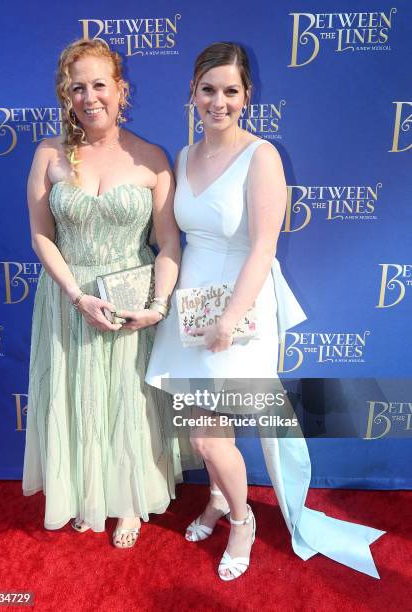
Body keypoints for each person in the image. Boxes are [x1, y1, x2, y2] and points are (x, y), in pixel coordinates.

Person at [146, 42, 384, 580]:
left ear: (247, 96)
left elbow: (262, 248)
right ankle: (215, 498)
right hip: (193, 306)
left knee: (208, 435)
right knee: (201, 428)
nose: (218, 101)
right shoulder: (183, 157)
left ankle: (242, 520)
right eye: (208, 90)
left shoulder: (262, 156)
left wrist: (230, 318)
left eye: (230, 91)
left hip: (242, 308)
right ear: (192, 93)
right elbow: (178, 241)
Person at [22, 38, 181, 548]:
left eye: (99, 85)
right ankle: (84, 490)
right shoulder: (48, 153)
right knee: (74, 395)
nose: (90, 97)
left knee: (127, 400)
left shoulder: (152, 158)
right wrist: (74, 294)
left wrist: (156, 307)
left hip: (129, 300)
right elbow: (41, 235)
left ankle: (130, 499)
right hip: (68, 299)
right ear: (65, 96)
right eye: (77, 88)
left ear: (121, 90)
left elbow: (169, 242)